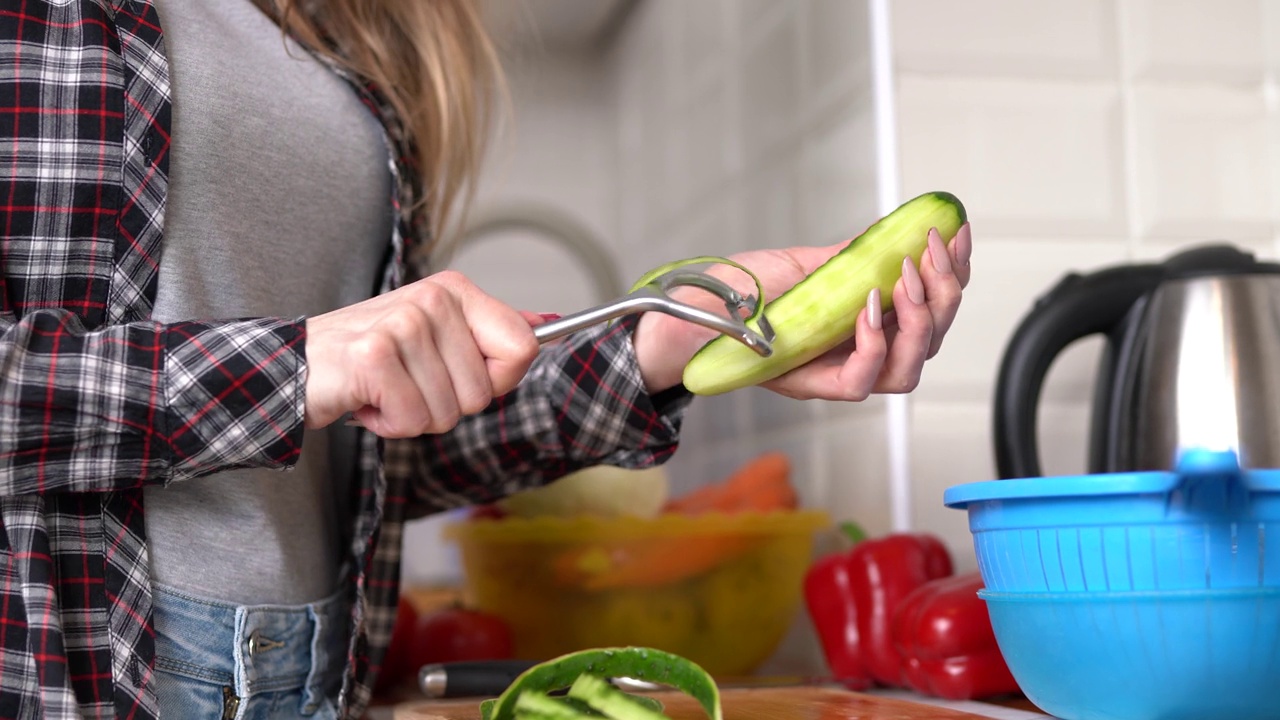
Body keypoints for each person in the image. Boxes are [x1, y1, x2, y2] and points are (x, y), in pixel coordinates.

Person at [0, 0, 973, 718]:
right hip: (67, 671)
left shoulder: (359, 37)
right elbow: (311, 377)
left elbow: (376, 434)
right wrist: (299, 364)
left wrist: (661, 343)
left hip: (310, 674)